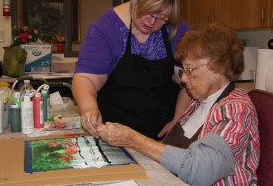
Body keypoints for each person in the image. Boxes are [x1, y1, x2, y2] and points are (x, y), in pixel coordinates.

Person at [97, 23, 260, 185]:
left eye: (189, 70)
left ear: (218, 69)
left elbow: (202, 171)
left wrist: (133, 139)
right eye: (183, 70)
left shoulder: (235, 109)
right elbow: (172, 154)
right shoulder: (199, 103)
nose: (183, 78)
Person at [72, 0, 191, 140]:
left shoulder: (176, 29)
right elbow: (86, 79)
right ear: (135, 2)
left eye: (162, 17)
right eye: (148, 12)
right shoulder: (105, 29)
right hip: (114, 134)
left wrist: (177, 120)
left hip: (161, 135)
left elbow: (190, 81)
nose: (152, 21)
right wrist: (89, 108)